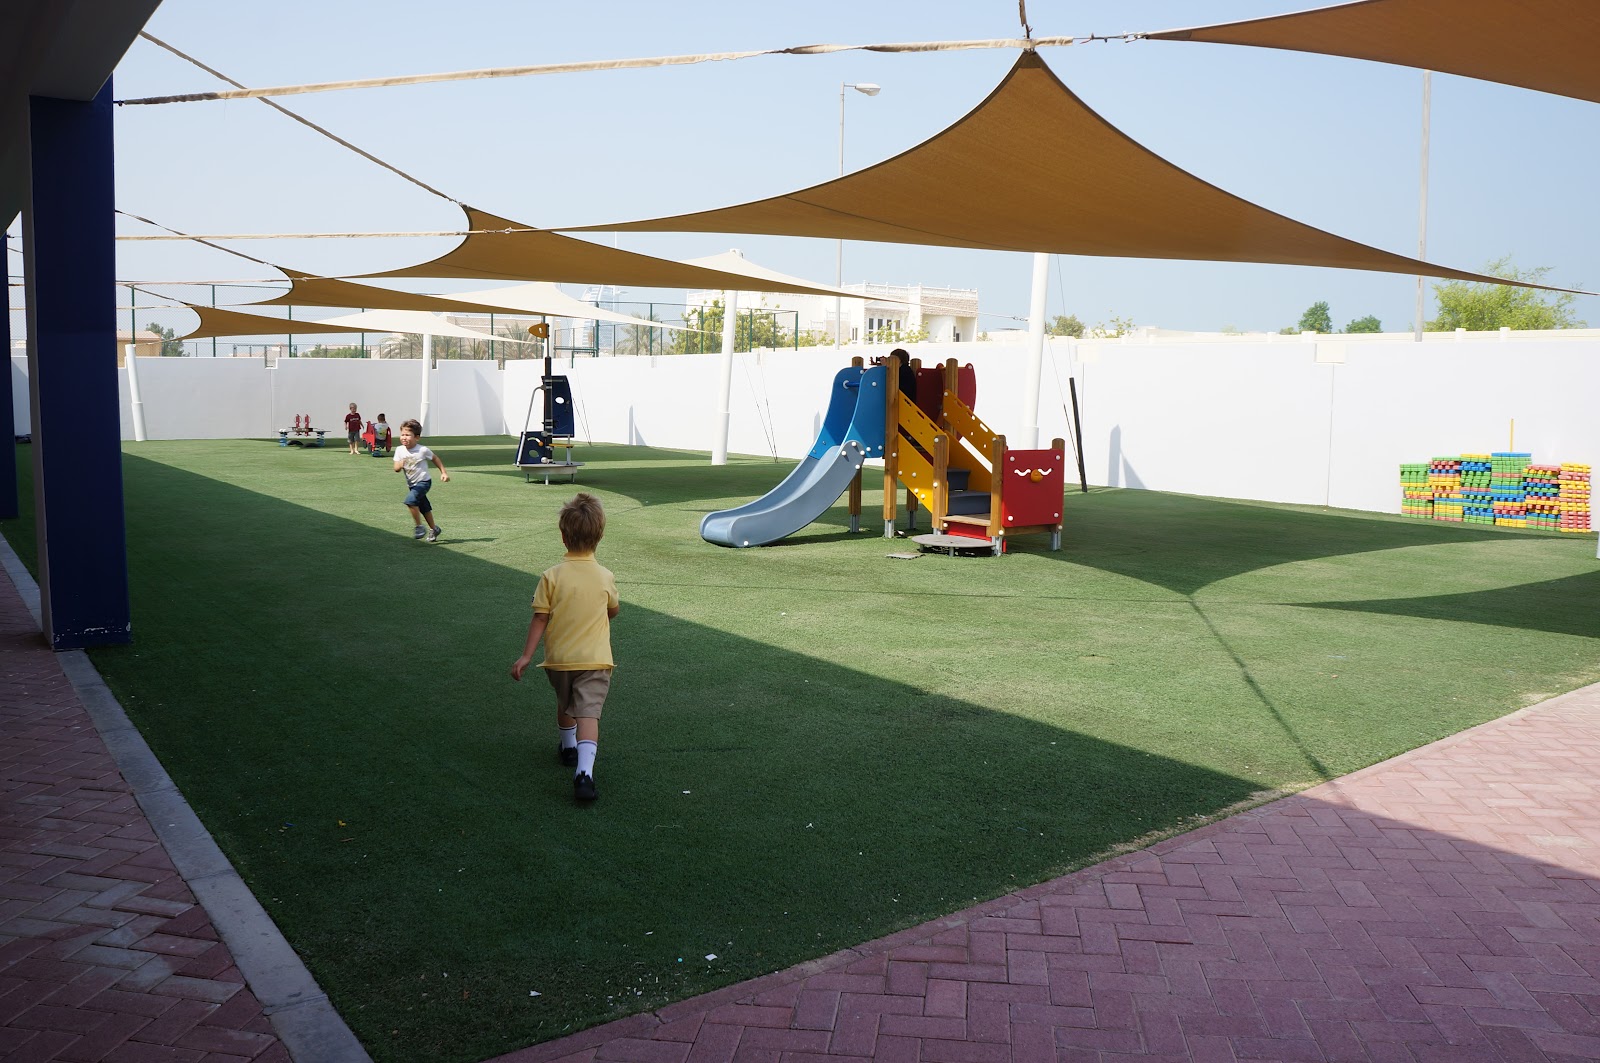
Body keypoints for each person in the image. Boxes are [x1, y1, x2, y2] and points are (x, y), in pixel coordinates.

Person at [509, 493, 620, 803]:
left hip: (558, 661)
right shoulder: (605, 576)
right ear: (600, 535)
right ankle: (584, 774)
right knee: (588, 713)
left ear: (562, 536)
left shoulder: (551, 576)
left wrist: (527, 655)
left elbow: (540, 617)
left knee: (566, 701)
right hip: (595, 660)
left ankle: (568, 747)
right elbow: (613, 610)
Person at [393, 418, 449, 542]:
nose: (404, 437)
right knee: (424, 508)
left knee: (410, 501)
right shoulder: (399, 450)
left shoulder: (422, 450)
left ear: (417, 437)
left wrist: (443, 472)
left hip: (424, 482)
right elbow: (396, 468)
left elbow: (435, 459)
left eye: (408, 435)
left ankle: (419, 527)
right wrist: (400, 464)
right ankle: (434, 529)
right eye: (402, 434)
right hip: (412, 484)